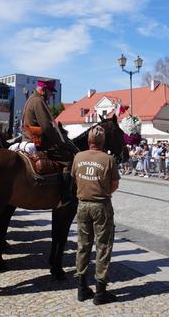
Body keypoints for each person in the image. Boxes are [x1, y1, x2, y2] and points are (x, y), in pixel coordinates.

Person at [71, 125, 119, 305]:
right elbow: (115, 184)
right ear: (103, 142)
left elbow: (75, 178)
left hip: (82, 205)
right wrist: (103, 191)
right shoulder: (108, 159)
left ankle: (82, 288)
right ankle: (100, 291)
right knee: (103, 246)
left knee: (83, 245)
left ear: (88, 141)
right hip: (101, 205)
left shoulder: (78, 157)